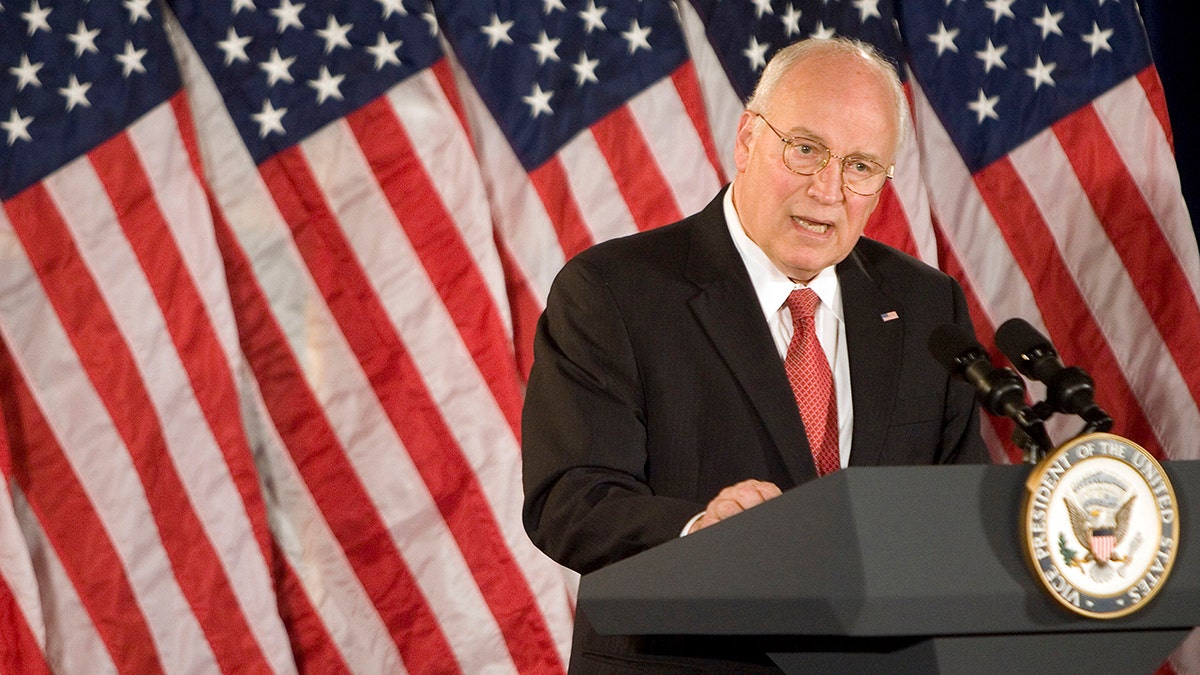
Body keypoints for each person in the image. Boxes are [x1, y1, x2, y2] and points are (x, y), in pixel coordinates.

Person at [521, 36, 990, 672]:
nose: (828, 189)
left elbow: (956, 510)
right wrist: (700, 534)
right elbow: (570, 499)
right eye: (806, 149)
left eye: (860, 165)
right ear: (747, 140)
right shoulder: (614, 291)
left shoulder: (926, 306)